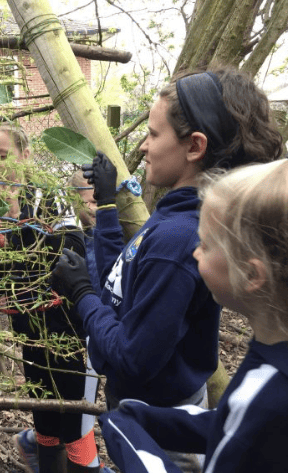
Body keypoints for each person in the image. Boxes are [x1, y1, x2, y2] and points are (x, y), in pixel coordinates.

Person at [50, 68, 283, 471]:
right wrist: (106, 208)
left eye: (154, 134)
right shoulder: (171, 218)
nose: (143, 146)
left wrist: (83, 296)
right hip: (156, 414)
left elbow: (132, 356)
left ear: (194, 146)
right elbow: (121, 287)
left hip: (160, 426)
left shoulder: (177, 239)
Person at [96, 158, 288, 472]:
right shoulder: (272, 360)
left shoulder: (269, 392)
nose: (195, 251)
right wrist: (150, 419)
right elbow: (233, 422)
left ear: (252, 274)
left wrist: (128, 440)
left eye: (207, 244)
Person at [0, 124, 105, 473]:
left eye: (2, 156)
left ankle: (83, 465)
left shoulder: (50, 198)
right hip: (29, 330)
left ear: (26, 156)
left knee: (76, 417)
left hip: (67, 329)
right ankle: (46, 462)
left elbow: (71, 255)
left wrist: (21, 223)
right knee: (44, 413)